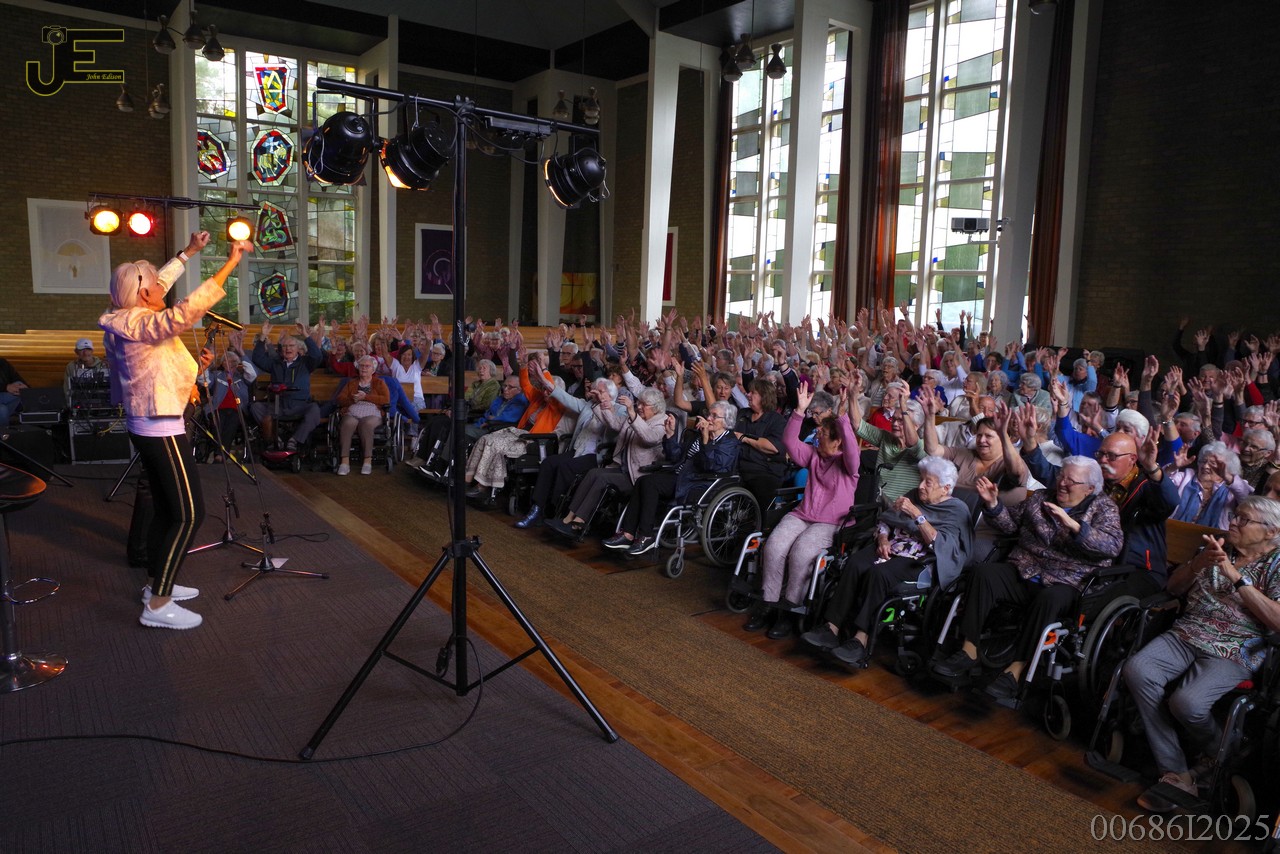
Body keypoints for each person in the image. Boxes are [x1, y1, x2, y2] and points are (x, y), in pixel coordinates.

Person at [99, 231, 250, 630]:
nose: (162, 288)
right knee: (189, 514)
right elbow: (185, 311)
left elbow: (160, 283)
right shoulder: (138, 322)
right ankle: (158, 604)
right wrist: (231, 263)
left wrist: (188, 253)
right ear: (142, 294)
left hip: (154, 422)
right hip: (159, 428)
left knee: (169, 509)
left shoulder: (130, 316)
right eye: (155, 286)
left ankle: (156, 584)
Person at [1124, 495, 1280, 812]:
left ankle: (1221, 750)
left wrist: (1235, 576)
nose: (1233, 522)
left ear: (1270, 531)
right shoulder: (1214, 547)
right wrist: (1198, 564)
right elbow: (1173, 588)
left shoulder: (1276, 565)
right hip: (1188, 631)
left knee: (1188, 702)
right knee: (1137, 669)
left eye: (1243, 519)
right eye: (1234, 515)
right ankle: (1177, 772)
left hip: (1236, 646)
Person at [930, 456, 1124, 698]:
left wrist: (1074, 526)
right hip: (1025, 568)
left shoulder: (1104, 508)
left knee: (1049, 599)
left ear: (1090, 488)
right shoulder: (1041, 497)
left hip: (1066, 580)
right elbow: (1011, 525)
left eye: (1071, 481)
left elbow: (1112, 546)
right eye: (1061, 476)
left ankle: (1016, 670)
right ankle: (969, 650)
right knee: (983, 573)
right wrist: (993, 504)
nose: (1062, 483)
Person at [800, 456, 972, 666]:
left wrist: (917, 515)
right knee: (855, 563)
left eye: (928, 482)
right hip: (892, 545)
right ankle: (831, 628)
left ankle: (860, 639)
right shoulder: (914, 495)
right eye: (921, 479)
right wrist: (882, 539)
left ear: (945, 488)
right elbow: (887, 520)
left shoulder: (957, 510)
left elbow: (941, 545)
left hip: (920, 559)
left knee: (878, 574)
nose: (920, 486)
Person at [744, 384, 860, 639]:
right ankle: (768, 601)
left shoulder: (848, 463)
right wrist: (799, 411)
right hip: (803, 514)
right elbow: (788, 442)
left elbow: (852, 447)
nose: (817, 435)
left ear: (837, 440)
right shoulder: (814, 455)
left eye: (823, 433)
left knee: (802, 552)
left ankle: (789, 608)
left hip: (832, 522)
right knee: (774, 545)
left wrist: (842, 415)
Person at [602, 400, 740, 555]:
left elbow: (712, 467)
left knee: (650, 484)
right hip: (681, 476)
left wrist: (706, 440)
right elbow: (676, 457)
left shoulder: (729, 442)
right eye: (709, 414)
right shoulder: (699, 434)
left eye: (714, 416)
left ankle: (646, 536)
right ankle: (627, 534)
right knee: (642, 481)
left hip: (699, 483)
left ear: (726, 421)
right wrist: (670, 435)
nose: (709, 419)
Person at [546, 386, 668, 538]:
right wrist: (599, 403)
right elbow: (614, 423)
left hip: (637, 475)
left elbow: (649, 438)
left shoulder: (661, 423)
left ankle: (578, 523)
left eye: (644, 405)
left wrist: (632, 413)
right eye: (639, 403)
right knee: (592, 473)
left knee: (602, 479)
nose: (639, 407)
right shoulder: (638, 417)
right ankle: (568, 518)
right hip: (622, 468)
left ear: (656, 408)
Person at [249, 320, 324, 451]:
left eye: (291, 346)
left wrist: (306, 335)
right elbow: (257, 359)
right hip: (279, 405)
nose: (288, 349)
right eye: (284, 346)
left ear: (298, 349)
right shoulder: (276, 363)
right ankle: (274, 438)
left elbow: (317, 355)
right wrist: (263, 336)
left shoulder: (305, 363)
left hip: (299, 405)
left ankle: (295, 440)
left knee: (314, 410)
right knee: (255, 407)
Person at [334, 355, 390, 475]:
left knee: (366, 424)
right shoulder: (351, 383)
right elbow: (340, 399)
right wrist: (352, 399)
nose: (364, 368)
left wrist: (366, 397)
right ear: (358, 368)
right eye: (361, 366)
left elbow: (385, 400)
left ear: (373, 370)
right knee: (347, 423)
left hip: (372, 413)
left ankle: (367, 461)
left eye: (367, 366)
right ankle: (344, 462)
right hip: (353, 411)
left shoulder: (379, 383)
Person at [64, 337, 109, 405]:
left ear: (92, 351)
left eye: (88, 349)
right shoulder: (71, 366)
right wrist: (70, 404)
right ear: (76, 352)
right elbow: (67, 388)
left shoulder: (103, 365)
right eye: (82, 350)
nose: (85, 353)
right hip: (80, 405)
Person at [0, 357, 28, 425]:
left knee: (20, 385)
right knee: (2, 410)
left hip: (4, 396)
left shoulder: (2, 362)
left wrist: (25, 388)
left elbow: (17, 378)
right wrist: (6, 387)